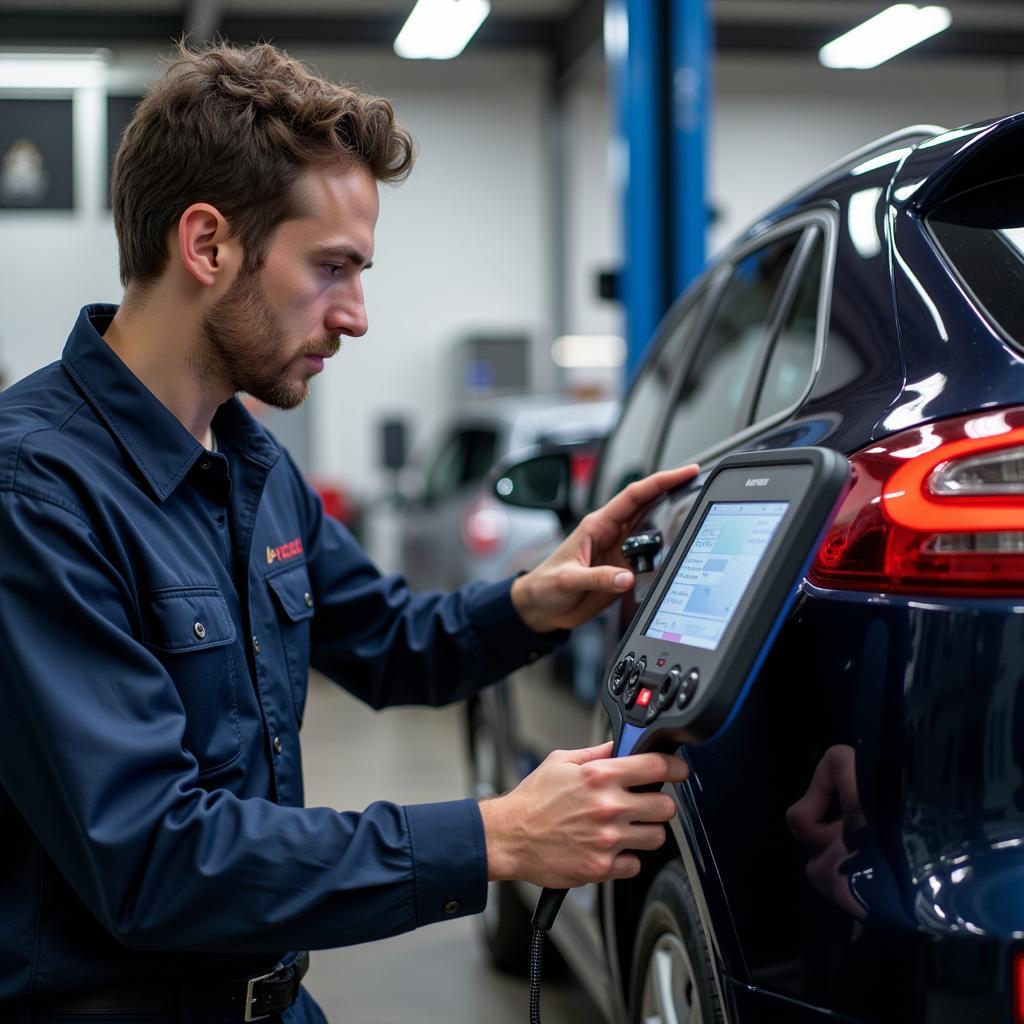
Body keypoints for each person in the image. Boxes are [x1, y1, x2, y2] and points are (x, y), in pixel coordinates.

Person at [0, 41, 695, 1023]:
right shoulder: (38, 494)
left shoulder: (251, 468)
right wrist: (490, 835)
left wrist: (531, 600)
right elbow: (154, 854)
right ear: (207, 246)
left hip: (277, 1000)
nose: (358, 317)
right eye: (332, 268)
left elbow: (388, 641)